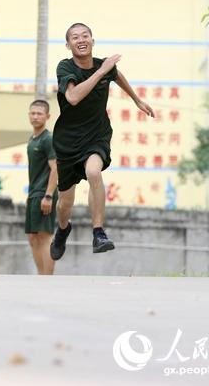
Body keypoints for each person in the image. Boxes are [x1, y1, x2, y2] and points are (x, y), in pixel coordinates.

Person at [50, 22, 153, 261]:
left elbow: (117, 75)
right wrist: (102, 71)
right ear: (68, 45)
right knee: (65, 203)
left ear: (92, 41)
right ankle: (63, 229)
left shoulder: (105, 67)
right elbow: (72, 97)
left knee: (94, 172)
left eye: (85, 35)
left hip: (97, 135)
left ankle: (99, 233)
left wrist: (136, 99)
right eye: (75, 37)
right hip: (67, 141)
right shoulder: (65, 67)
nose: (81, 40)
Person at [25, 99, 58, 275]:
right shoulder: (32, 139)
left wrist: (49, 195)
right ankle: (41, 275)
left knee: (45, 236)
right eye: (33, 113)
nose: (35, 116)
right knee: (33, 237)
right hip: (34, 193)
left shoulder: (48, 139)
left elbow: (55, 168)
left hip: (45, 193)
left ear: (47, 116)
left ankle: (47, 278)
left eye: (39, 113)